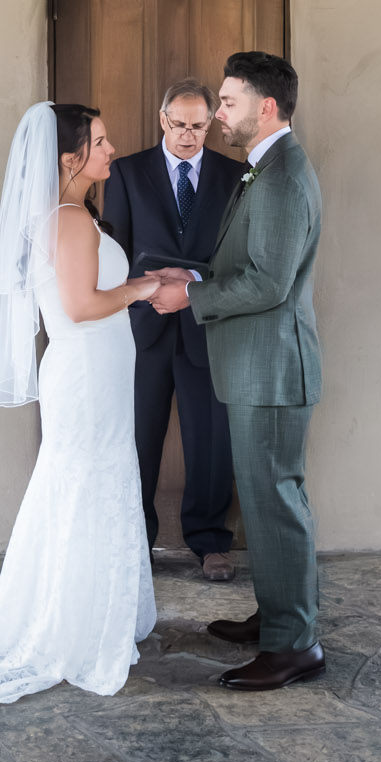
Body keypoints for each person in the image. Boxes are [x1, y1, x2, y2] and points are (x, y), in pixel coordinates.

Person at [0, 102, 161, 706]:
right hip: (86, 371)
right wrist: (143, 287)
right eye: (100, 142)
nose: (111, 149)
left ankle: (89, 607)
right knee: (85, 480)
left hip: (94, 370)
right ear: (69, 158)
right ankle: (75, 622)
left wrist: (139, 285)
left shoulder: (70, 215)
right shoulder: (68, 220)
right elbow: (80, 307)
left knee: (89, 478)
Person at [149, 51, 323, 692]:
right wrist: (193, 274)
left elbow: (270, 284)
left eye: (228, 102)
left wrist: (190, 298)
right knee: (269, 500)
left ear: (265, 107)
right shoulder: (268, 166)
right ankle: (280, 617)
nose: (218, 113)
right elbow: (250, 265)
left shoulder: (280, 177)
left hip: (271, 369)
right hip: (260, 365)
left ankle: (294, 646)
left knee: (275, 505)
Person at [103, 79, 241, 581]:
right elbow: (115, 253)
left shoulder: (235, 176)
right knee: (137, 437)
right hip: (144, 326)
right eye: (179, 125)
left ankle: (210, 542)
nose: (188, 135)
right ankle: (135, 542)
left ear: (211, 124)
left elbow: (238, 256)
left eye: (199, 126)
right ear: (163, 120)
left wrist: (193, 282)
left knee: (211, 438)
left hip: (208, 322)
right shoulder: (126, 172)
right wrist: (146, 289)